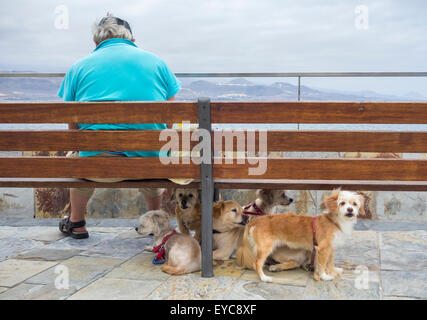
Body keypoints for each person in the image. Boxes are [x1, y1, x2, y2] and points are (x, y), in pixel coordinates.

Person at [58, 14, 181, 239]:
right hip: (146, 166)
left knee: (77, 156)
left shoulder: (79, 67)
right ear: (132, 39)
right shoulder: (156, 63)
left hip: (97, 165)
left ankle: (76, 223)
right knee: (152, 150)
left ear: (96, 42)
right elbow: (168, 116)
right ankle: (154, 222)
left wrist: (79, 147)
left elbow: (72, 122)